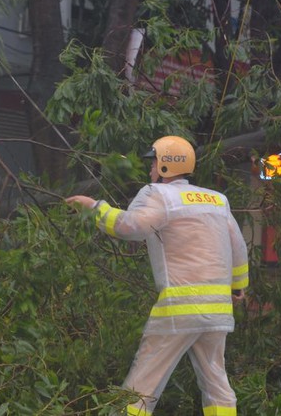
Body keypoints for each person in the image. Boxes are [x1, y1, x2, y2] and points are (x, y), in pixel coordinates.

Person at [66, 135, 249, 416]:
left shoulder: (158, 194)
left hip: (178, 308)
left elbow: (131, 227)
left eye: (153, 162)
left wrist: (94, 209)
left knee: (142, 385)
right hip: (218, 312)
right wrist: (238, 287)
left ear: (165, 165)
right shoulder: (217, 200)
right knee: (216, 383)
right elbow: (238, 246)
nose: (150, 168)